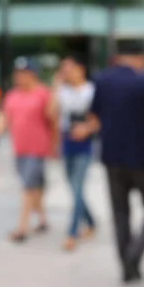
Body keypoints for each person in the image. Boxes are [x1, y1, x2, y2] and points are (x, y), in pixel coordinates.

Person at [71, 41, 144, 284]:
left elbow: (94, 117)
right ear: (141, 57)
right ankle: (134, 255)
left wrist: (85, 129)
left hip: (112, 157)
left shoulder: (103, 81)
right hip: (143, 157)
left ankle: (127, 266)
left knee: (120, 212)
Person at [0, 57, 55, 243]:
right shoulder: (12, 96)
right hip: (20, 148)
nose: (20, 77)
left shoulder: (44, 94)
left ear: (33, 74)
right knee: (35, 187)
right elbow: (3, 119)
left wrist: (56, 145)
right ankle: (43, 219)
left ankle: (22, 227)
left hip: (38, 148)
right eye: (18, 74)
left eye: (24, 73)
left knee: (28, 187)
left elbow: (53, 119)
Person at [51, 55, 96, 252]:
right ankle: (91, 221)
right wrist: (55, 86)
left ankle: (72, 232)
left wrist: (86, 128)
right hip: (67, 141)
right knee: (72, 185)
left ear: (81, 69)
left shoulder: (92, 91)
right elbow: (51, 114)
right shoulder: (62, 91)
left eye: (70, 69)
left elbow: (99, 118)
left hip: (85, 143)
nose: (67, 73)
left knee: (78, 186)